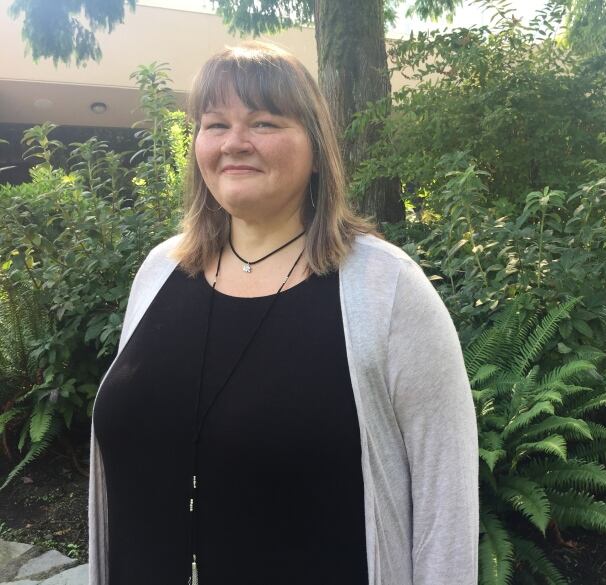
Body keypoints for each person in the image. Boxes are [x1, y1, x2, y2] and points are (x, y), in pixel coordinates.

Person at [88, 41, 479, 585]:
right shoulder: (160, 273)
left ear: (317, 149)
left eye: (265, 123)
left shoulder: (387, 289)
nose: (235, 143)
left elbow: (445, 498)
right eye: (215, 123)